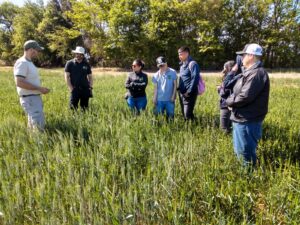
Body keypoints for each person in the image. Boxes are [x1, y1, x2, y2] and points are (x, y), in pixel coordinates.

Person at [226, 43, 270, 166]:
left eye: (243, 55)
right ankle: (245, 175)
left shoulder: (257, 73)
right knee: (240, 151)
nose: (241, 58)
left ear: (251, 56)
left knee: (245, 154)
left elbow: (245, 96)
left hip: (247, 120)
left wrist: (229, 101)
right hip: (242, 117)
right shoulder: (250, 72)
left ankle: (249, 178)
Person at [14, 40, 50, 131]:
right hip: (30, 99)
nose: (38, 52)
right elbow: (19, 82)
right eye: (37, 50)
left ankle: (32, 143)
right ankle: (39, 144)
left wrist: (40, 89)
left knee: (33, 126)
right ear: (31, 49)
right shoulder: (22, 63)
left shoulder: (28, 62)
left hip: (33, 98)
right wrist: (39, 88)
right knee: (38, 127)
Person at [177, 46, 200, 120]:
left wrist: (189, 92)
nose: (179, 56)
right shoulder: (182, 65)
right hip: (182, 93)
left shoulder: (193, 64)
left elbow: (195, 78)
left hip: (189, 94)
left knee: (187, 115)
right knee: (185, 114)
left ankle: (192, 129)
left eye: (181, 54)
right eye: (179, 54)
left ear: (187, 53)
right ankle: (191, 126)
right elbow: (182, 78)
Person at [218, 60, 235, 133]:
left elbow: (223, 93)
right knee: (231, 125)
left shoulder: (229, 78)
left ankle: (226, 140)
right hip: (234, 104)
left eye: (224, 68)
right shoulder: (238, 76)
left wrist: (220, 89)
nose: (223, 70)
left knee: (223, 128)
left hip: (226, 104)